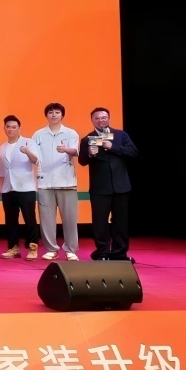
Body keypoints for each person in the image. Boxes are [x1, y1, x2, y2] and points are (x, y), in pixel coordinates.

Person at [78, 107, 138, 261]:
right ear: (92, 120)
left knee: (121, 222)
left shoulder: (120, 135)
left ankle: (120, 253)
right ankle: (102, 253)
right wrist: (90, 154)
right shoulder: (87, 139)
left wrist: (113, 147)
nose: (101, 120)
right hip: (99, 188)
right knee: (100, 223)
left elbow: (133, 152)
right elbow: (82, 161)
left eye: (103, 117)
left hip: (121, 187)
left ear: (109, 118)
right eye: (97, 118)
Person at [32, 103, 80, 261]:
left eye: (57, 112)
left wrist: (66, 150)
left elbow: (75, 151)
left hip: (67, 182)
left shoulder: (71, 133)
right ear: (46, 115)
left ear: (62, 115)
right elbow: (35, 157)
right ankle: (51, 249)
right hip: (45, 182)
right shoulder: (38, 134)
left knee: (70, 219)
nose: (53, 115)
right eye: (50, 112)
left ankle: (71, 249)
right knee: (46, 219)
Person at [0, 115, 39, 260]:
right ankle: (13, 247)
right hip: (8, 188)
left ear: (19, 128)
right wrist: (0, 186)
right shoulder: (2, 147)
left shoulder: (28, 142)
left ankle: (33, 247)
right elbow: (2, 169)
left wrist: (27, 151)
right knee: (10, 220)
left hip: (26, 187)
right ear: (4, 128)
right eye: (8, 127)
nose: (10, 129)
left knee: (30, 219)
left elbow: (36, 160)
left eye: (14, 127)